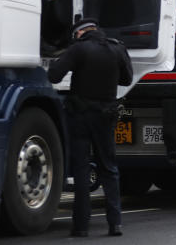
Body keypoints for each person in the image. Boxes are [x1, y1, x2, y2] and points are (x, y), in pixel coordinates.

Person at [48, 19, 133, 237]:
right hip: (106, 116)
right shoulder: (117, 48)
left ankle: (81, 226)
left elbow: (54, 75)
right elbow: (127, 79)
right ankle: (115, 224)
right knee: (110, 168)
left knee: (82, 170)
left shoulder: (79, 49)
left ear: (80, 33)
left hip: (80, 116)